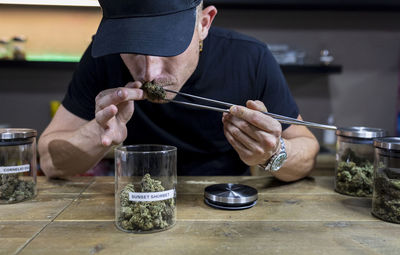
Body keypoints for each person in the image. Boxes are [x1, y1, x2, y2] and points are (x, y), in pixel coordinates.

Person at [38, 0, 319, 181]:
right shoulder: (102, 57)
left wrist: (272, 152)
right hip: (135, 199)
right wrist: (97, 134)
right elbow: (50, 162)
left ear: (203, 24)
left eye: (167, 47)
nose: (149, 73)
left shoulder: (248, 57)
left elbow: (308, 150)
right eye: (134, 49)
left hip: (224, 203)